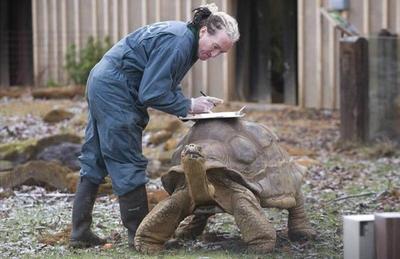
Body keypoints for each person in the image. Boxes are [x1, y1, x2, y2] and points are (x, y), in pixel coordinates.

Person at [69, 3, 240, 248]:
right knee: (127, 160)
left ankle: (79, 233)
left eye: (220, 53)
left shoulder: (186, 39)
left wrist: (190, 108)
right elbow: (151, 92)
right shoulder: (180, 42)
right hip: (116, 89)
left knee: (95, 157)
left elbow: (166, 83)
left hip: (104, 82)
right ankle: (142, 237)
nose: (213, 55)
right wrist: (190, 104)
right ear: (204, 31)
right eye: (214, 47)